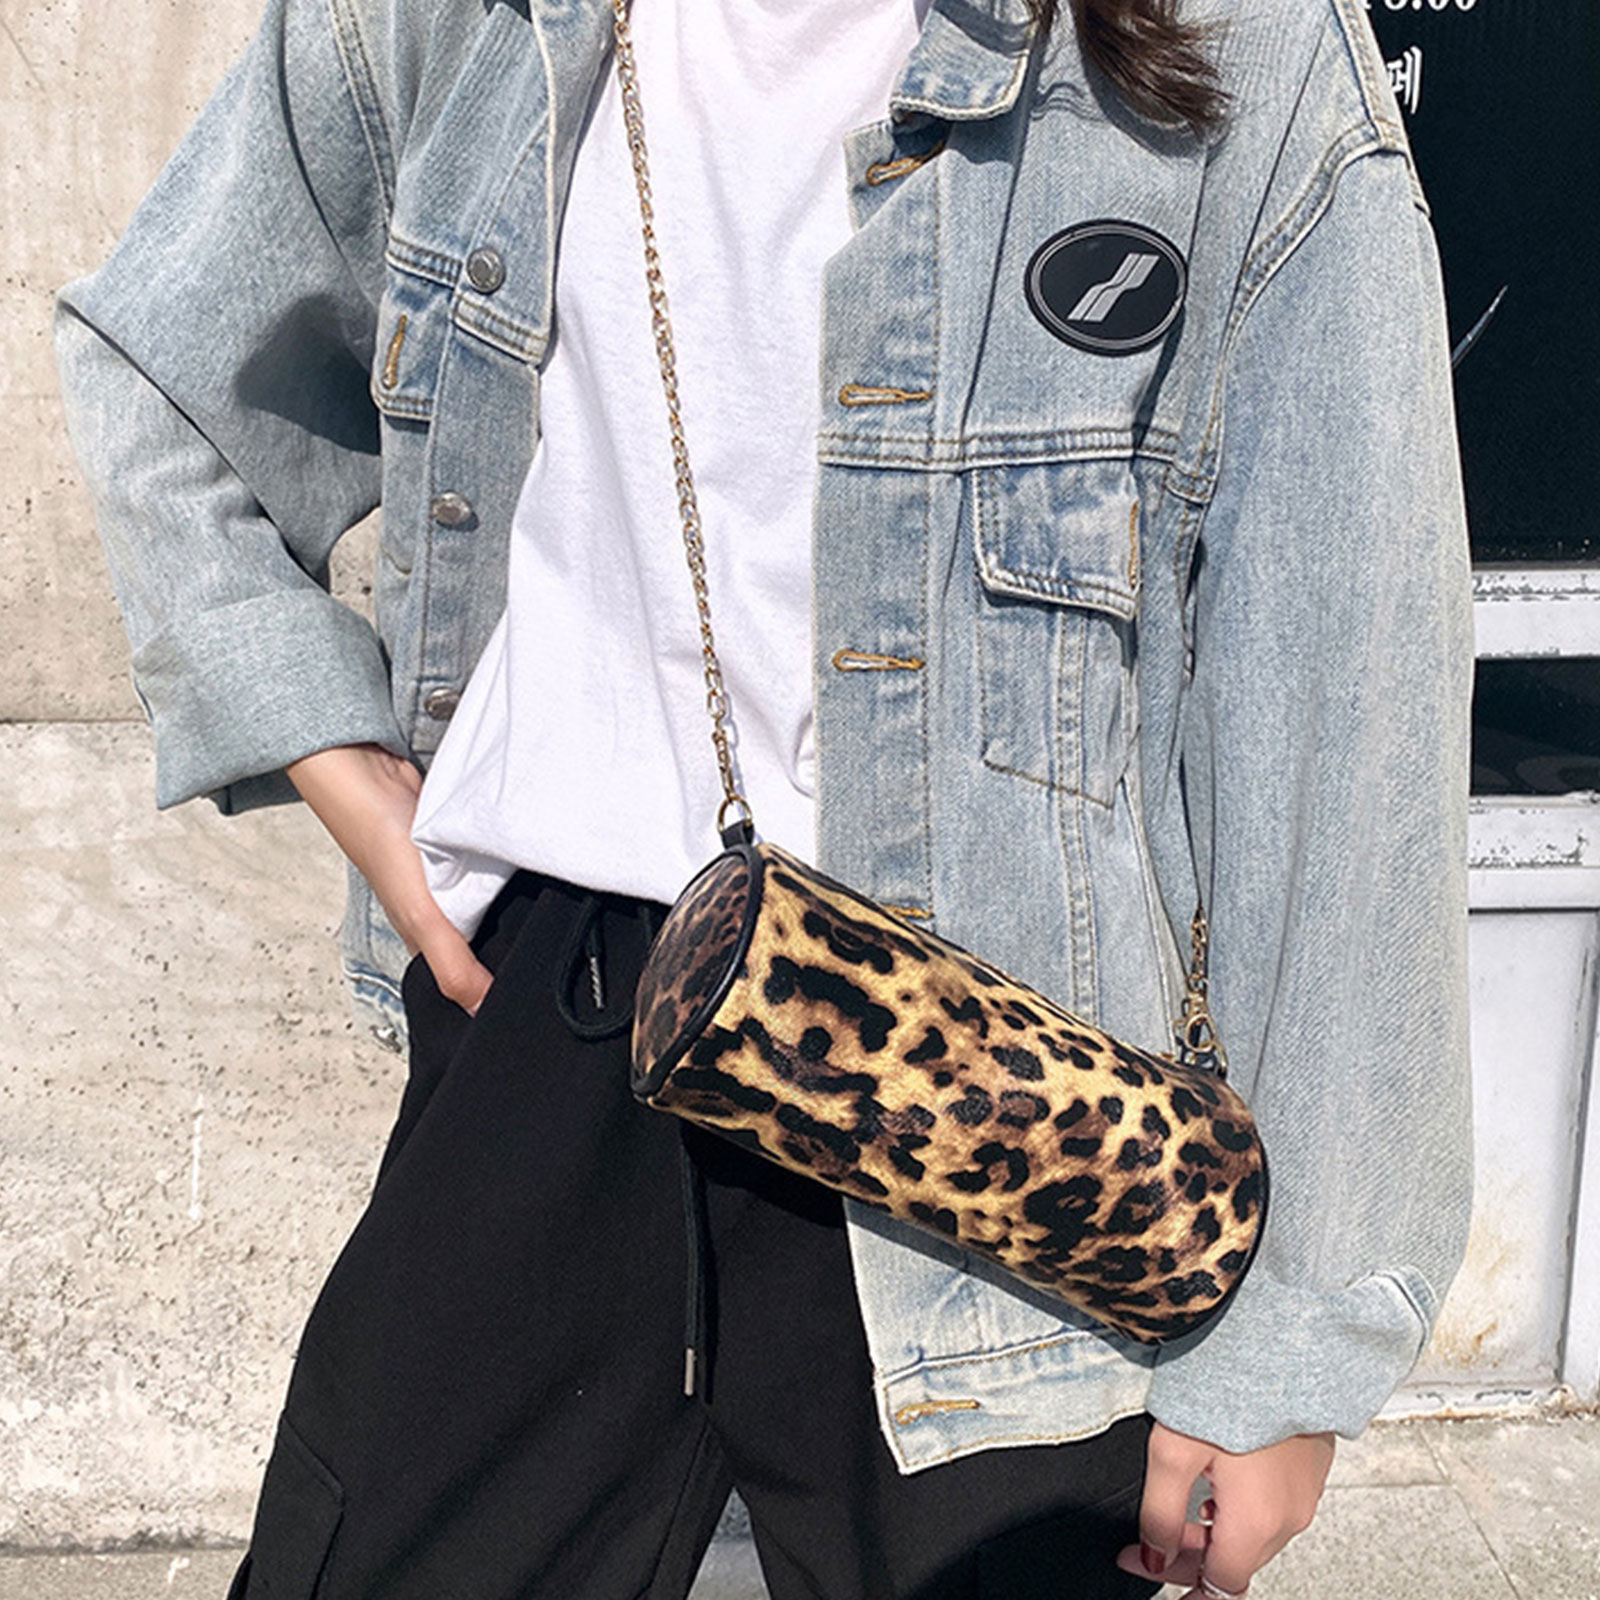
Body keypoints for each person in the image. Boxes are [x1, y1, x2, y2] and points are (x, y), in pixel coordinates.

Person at [54, 0, 1474, 1594]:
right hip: (557, 1009)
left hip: (997, 1096)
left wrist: (1291, 1352)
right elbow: (167, 365)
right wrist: (338, 758)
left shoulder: (1235, 44)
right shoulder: (465, 20)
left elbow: (1351, 696)